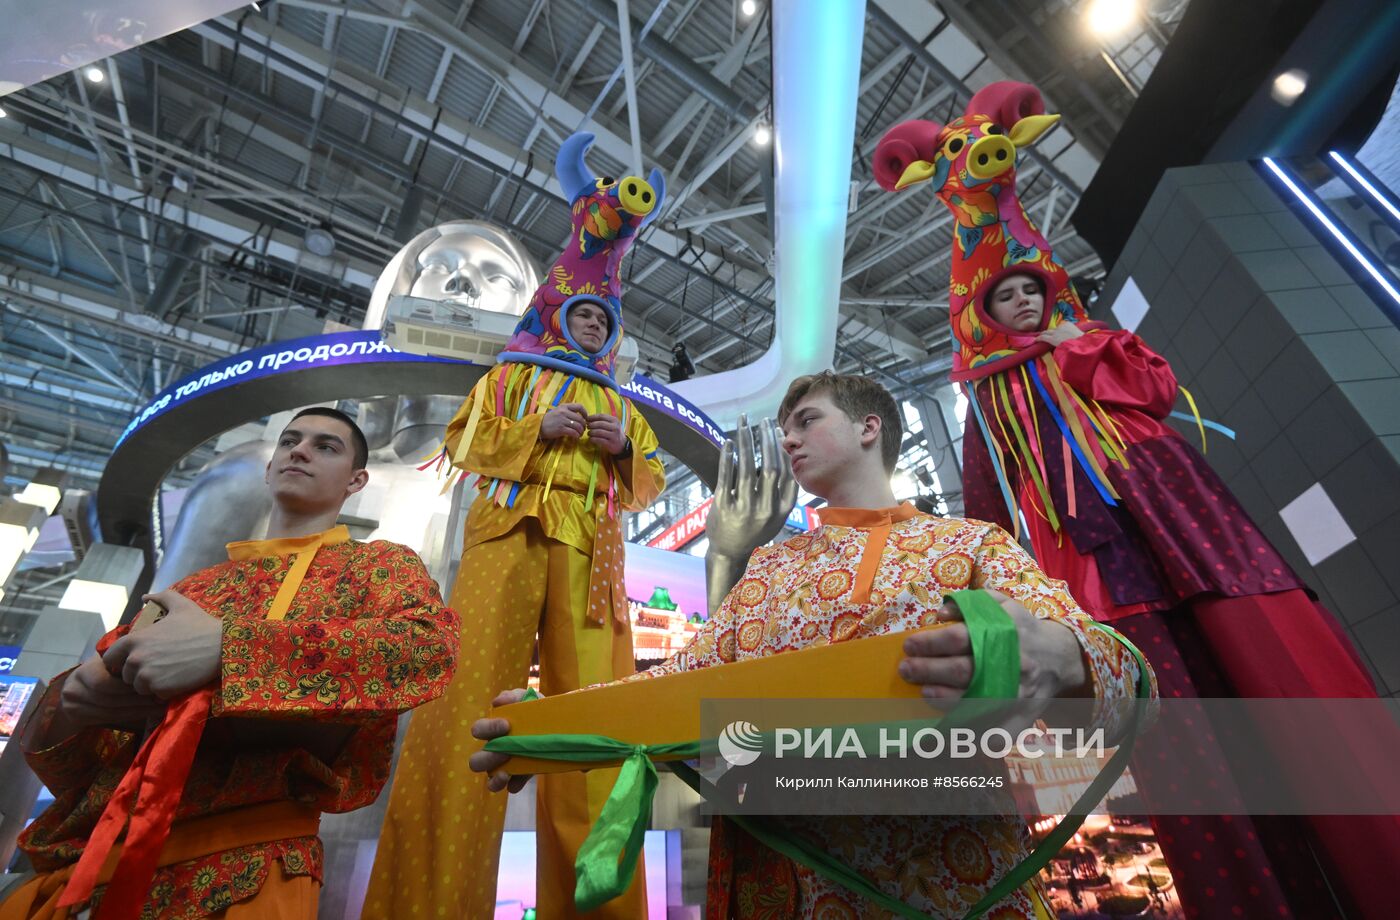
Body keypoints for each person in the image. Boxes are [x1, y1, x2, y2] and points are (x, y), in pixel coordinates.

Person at [471, 371, 1155, 919]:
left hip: (945, 883)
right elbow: (679, 683)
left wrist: (1062, 660)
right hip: (777, 882)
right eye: (784, 429)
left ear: (868, 428)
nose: (789, 441)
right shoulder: (769, 568)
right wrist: (547, 725)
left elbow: (1129, 684)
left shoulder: (970, 544)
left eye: (807, 421)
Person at [367, 131, 667, 919]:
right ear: (557, 312)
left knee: (594, 726)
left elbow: (648, 484)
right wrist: (540, 431)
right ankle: (425, 904)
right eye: (584, 316)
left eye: (605, 322)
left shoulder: (621, 405)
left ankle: (601, 905)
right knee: (462, 716)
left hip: (590, 559)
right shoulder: (509, 376)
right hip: (505, 541)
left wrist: (619, 453)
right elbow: (463, 443)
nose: (595, 328)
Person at [0, 407, 459, 920]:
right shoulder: (190, 589)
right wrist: (71, 706)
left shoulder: (378, 565)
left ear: (357, 481)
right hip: (93, 863)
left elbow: (425, 651)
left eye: (325, 446)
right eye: (290, 441)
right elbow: (83, 765)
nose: (300, 451)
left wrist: (228, 651)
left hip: (247, 865)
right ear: (268, 468)